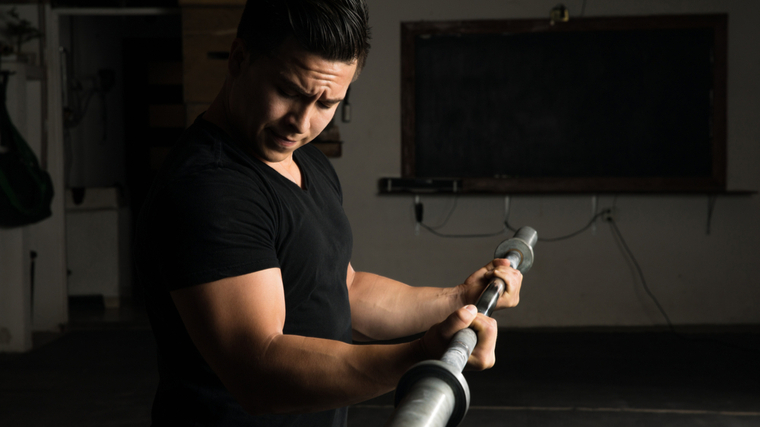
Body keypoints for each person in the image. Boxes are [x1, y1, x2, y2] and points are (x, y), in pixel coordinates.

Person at [134, 0, 523, 426]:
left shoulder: (307, 162)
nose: (301, 123)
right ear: (239, 58)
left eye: (326, 103)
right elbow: (257, 371)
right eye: (288, 92)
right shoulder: (208, 187)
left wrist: (458, 299)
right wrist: (421, 354)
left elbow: (345, 291)